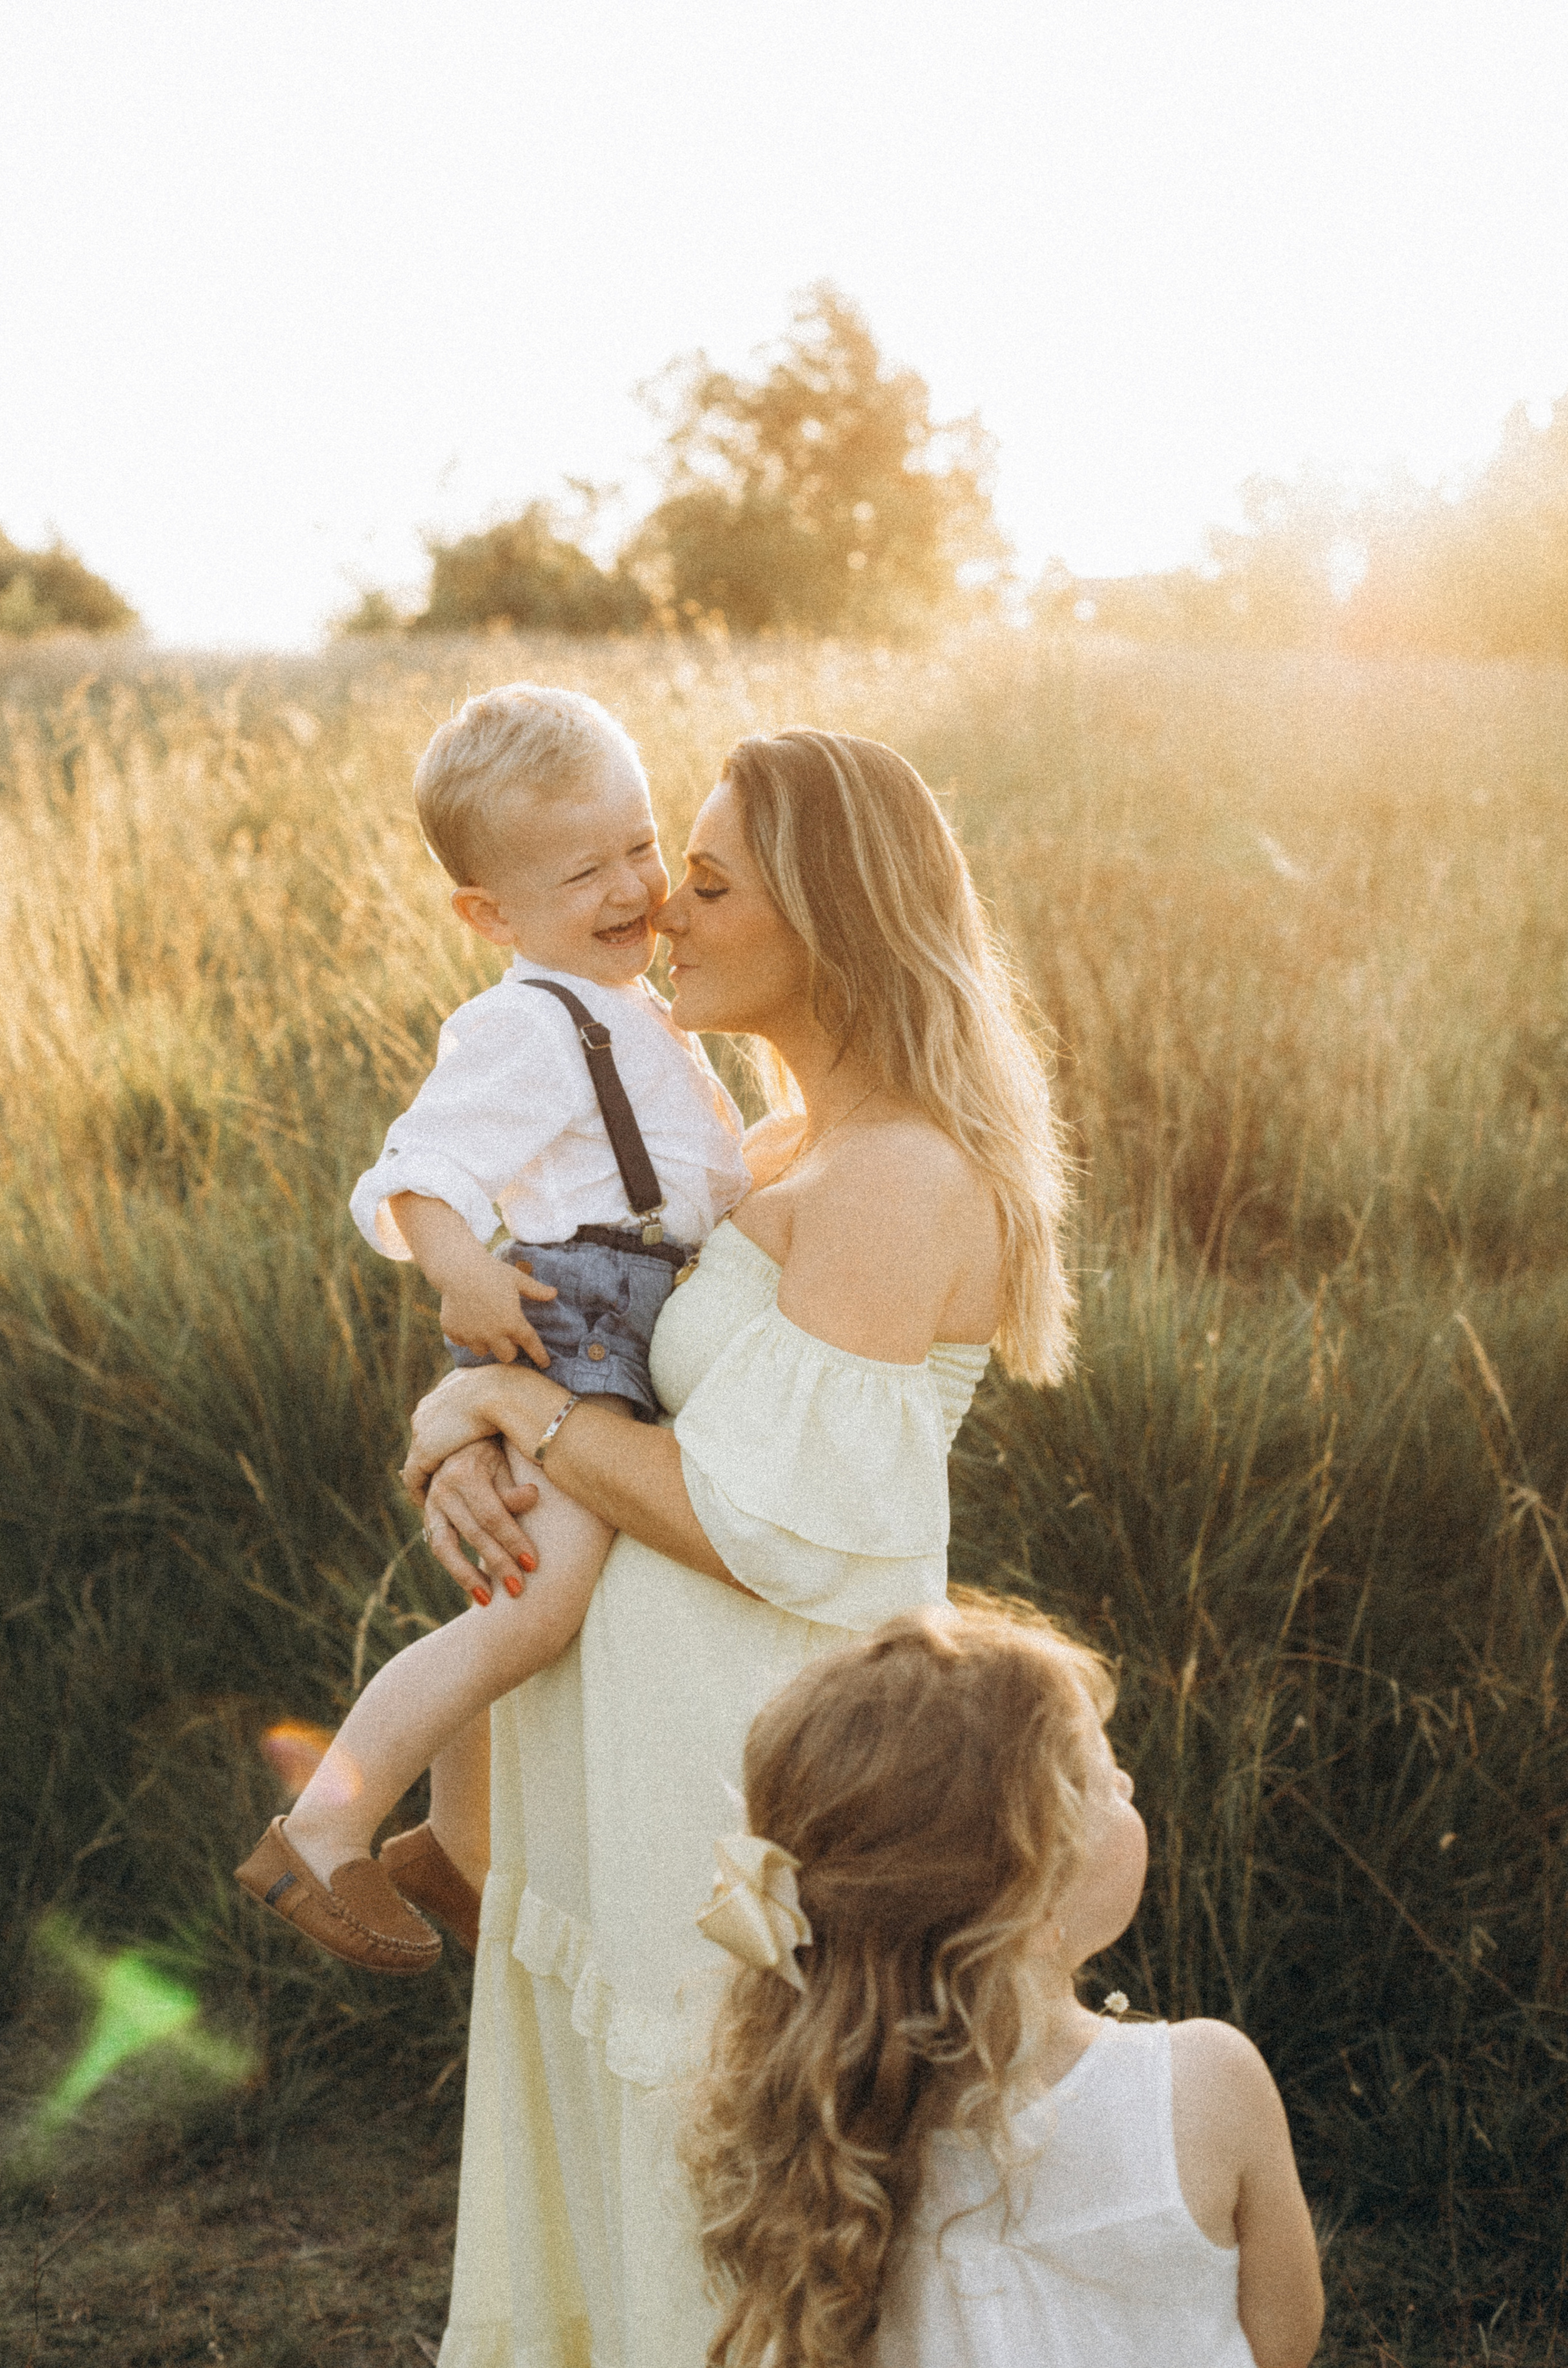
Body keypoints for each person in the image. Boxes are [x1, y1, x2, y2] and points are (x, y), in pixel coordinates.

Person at [400, 727, 1076, 2368]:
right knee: (623, 2193)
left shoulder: (899, 1176)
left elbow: (770, 1528)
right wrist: (461, 1433)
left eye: (705, 883)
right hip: (627, 1769)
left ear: (830, 916)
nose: (659, 912)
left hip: (743, 1795)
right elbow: (594, 1381)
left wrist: (518, 1411)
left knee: (712, 2213)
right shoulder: (764, 1156)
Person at [235, 684, 749, 1968]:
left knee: (512, 1584)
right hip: (572, 1322)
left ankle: (457, 1849)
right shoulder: (528, 1023)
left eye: (641, 845)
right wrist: (463, 1273)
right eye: (583, 872)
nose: (631, 886)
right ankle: (324, 1829)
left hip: (624, 1319)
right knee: (536, 1605)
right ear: (489, 915)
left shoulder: (629, 1007)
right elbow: (414, 1172)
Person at [684, 1594, 1325, 2368]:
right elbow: (1282, 2340)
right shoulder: (1206, 2084)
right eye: (1101, 1782)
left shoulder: (835, 2140)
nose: (1127, 1785)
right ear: (1030, 1899)